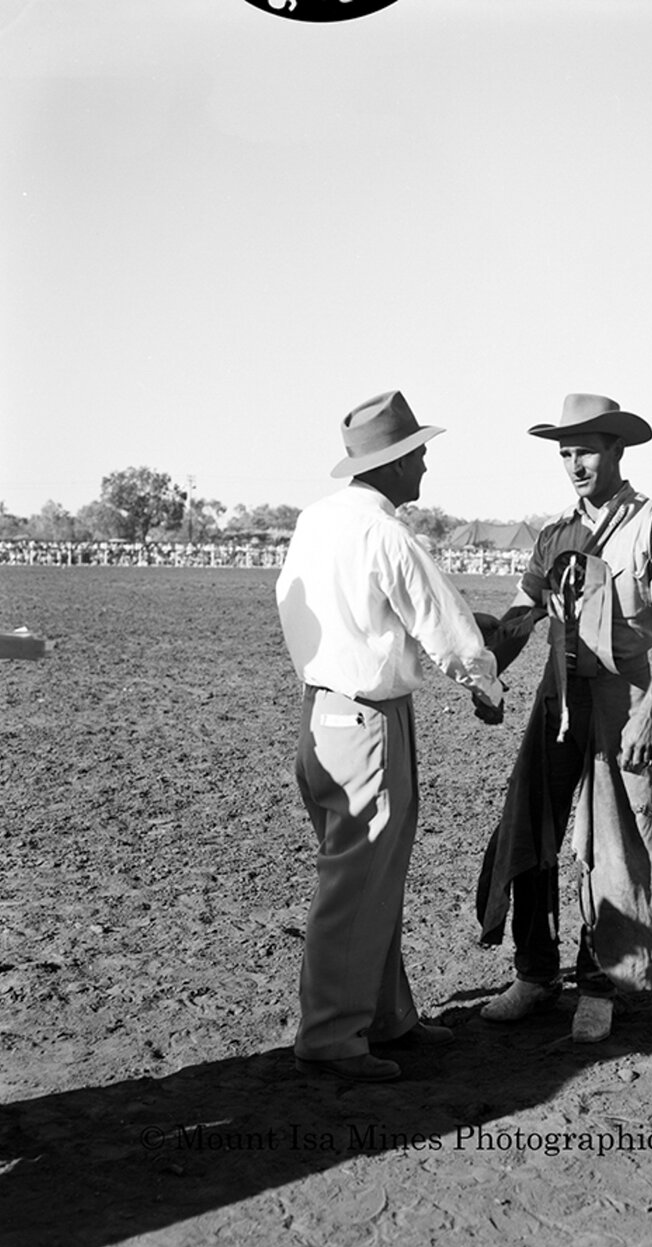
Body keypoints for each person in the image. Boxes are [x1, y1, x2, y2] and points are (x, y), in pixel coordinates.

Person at [276, 389, 504, 1083]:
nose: (427, 468)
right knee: (359, 880)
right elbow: (444, 623)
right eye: (421, 455)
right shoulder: (385, 532)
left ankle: (385, 1016)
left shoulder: (315, 521)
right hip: (369, 717)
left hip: (323, 710)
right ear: (397, 463)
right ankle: (332, 1035)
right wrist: (484, 683)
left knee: (370, 877)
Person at [475, 393, 652, 1043]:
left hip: (624, 705)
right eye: (565, 452)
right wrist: (488, 667)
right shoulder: (555, 534)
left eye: (585, 450)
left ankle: (599, 986)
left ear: (616, 451)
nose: (574, 463)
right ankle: (535, 972)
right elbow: (523, 614)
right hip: (556, 703)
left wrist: (649, 713)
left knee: (611, 849)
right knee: (528, 832)